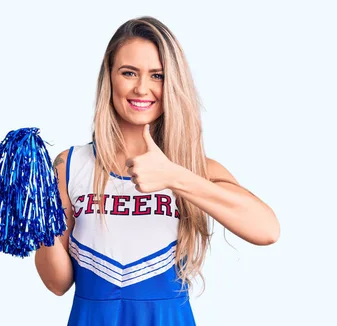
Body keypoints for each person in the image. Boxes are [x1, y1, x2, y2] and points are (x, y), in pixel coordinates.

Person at [34, 16, 280, 326]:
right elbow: (57, 283)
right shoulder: (70, 165)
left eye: (158, 75)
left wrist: (174, 176)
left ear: (173, 82)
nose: (142, 88)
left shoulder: (195, 168)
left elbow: (267, 230)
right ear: (109, 78)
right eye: (129, 73)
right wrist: (39, 217)